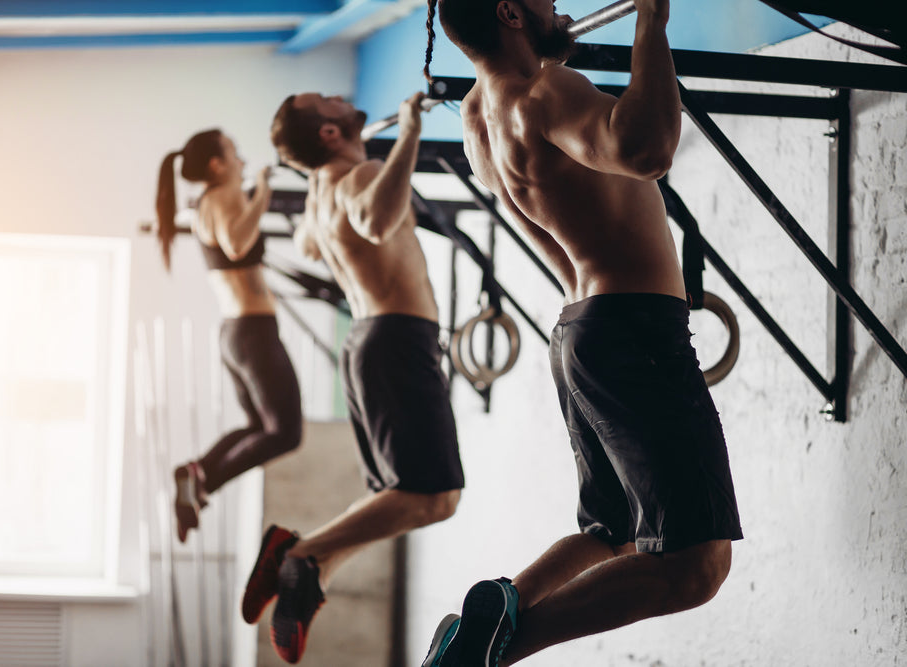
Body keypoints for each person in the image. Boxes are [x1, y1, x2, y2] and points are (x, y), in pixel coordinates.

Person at [419, 0, 743, 665]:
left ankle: (494, 609)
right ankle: (493, 649)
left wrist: (555, 45)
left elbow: (568, 166)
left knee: (611, 529)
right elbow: (647, 149)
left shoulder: (482, 113)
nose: (558, 5)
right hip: (632, 330)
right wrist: (651, 22)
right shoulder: (542, 93)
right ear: (509, 11)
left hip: (580, 329)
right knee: (696, 565)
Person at [240, 92, 465, 664]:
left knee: (406, 498)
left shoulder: (322, 191)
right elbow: (375, 218)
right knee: (434, 498)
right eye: (330, 103)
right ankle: (303, 553)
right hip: (395, 340)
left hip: (368, 341)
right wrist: (409, 134)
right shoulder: (359, 173)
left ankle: (314, 568)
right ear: (331, 135)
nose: (343, 100)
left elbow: (311, 242)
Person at [155, 129, 303, 543]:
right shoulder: (223, 195)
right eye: (234, 152)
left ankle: (196, 473)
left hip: (237, 334)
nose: (241, 158)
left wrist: (255, 191)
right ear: (218, 165)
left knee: (259, 425)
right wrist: (264, 190)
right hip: (252, 333)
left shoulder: (208, 201)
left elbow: (233, 241)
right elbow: (238, 245)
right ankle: (203, 479)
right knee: (285, 433)